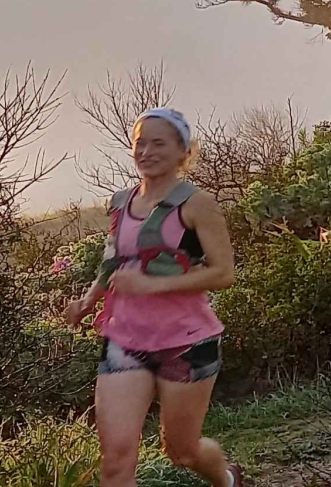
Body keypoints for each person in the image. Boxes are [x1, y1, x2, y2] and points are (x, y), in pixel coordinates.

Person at [64, 108, 243, 487]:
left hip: (186, 342)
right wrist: (89, 299)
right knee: (115, 459)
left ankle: (226, 478)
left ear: (183, 150)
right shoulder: (120, 201)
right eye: (139, 143)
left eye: (158, 143)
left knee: (182, 452)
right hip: (124, 341)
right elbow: (115, 258)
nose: (146, 151)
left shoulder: (197, 204)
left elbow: (223, 273)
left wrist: (152, 286)